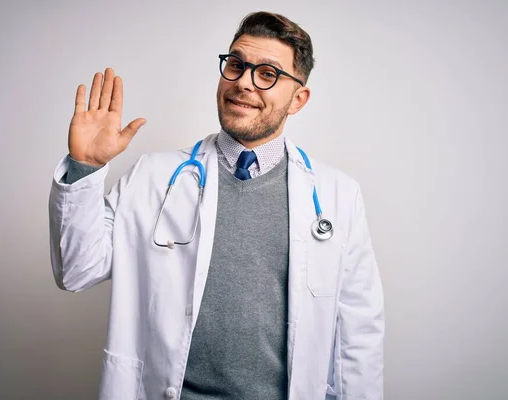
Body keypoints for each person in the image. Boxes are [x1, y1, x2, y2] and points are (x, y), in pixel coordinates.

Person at [48, 11, 384, 400]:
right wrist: (84, 167)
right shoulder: (154, 177)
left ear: (298, 99)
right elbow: (76, 270)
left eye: (267, 74)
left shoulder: (338, 196)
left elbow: (358, 335)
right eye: (237, 65)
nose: (243, 82)